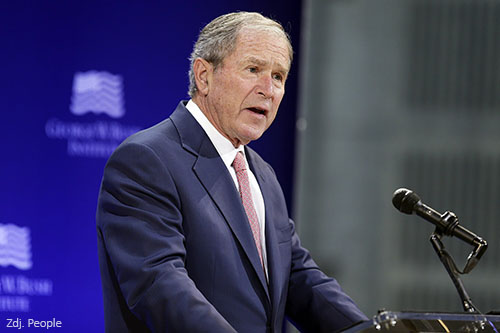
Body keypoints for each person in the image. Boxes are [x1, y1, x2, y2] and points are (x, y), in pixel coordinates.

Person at [96, 11, 367, 332]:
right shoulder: (146, 159)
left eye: (279, 76)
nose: (268, 89)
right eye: (253, 69)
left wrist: (371, 330)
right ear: (204, 76)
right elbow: (158, 284)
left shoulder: (262, 174)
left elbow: (297, 275)